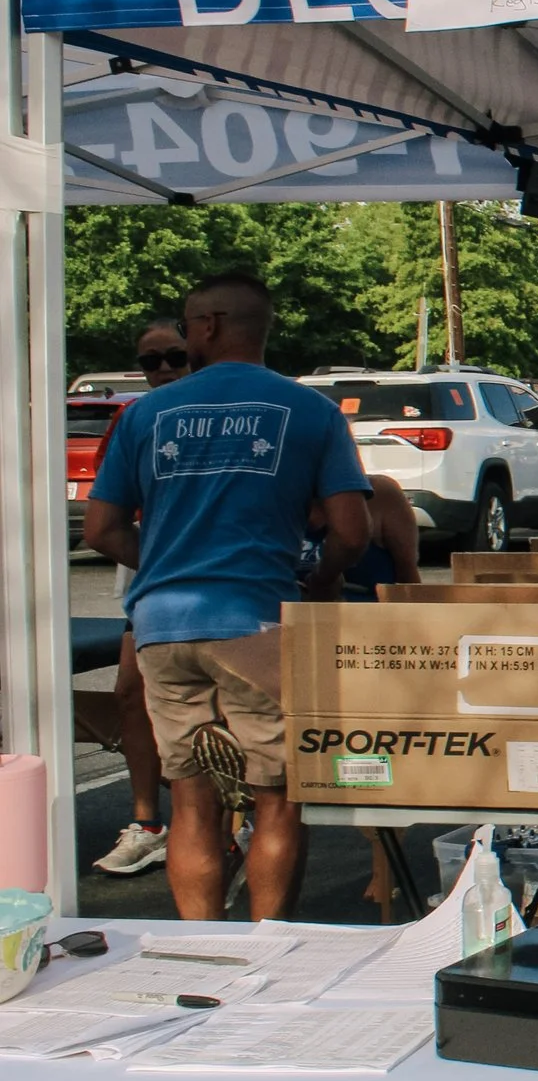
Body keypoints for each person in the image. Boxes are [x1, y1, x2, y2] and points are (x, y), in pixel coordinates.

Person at [83, 273, 370, 920]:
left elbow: (100, 529)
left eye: (186, 328)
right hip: (258, 621)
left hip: (162, 623)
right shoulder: (312, 410)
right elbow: (354, 531)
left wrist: (160, 558)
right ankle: (268, 942)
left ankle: (203, 947)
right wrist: (319, 577)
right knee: (276, 796)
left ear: (209, 326)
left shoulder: (145, 415)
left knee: (191, 798)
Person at [93, 318, 188, 877]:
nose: (164, 370)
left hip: (232, 584)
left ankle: (234, 824)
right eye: (150, 362)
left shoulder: (231, 409)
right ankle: (148, 822)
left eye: (174, 356)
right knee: (132, 693)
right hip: (154, 581)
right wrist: (161, 563)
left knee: (225, 711)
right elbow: (107, 516)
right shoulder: (136, 418)